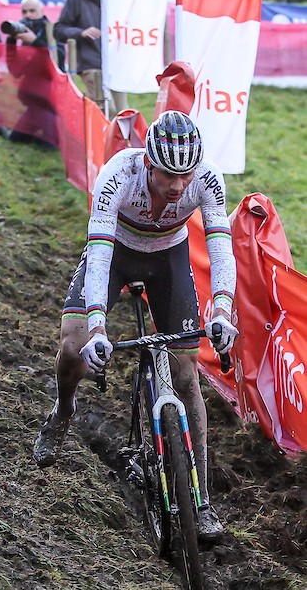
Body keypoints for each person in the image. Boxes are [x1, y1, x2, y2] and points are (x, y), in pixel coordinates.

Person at [33, 110, 239, 542]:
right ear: (148, 162)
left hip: (169, 258)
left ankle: (199, 499)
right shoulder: (117, 175)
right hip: (117, 252)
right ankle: (64, 411)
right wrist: (96, 325)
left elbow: (221, 247)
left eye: (186, 175)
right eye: (167, 174)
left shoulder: (208, 177)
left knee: (186, 376)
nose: (178, 186)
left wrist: (222, 309)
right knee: (72, 347)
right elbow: (100, 251)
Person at [53, 0, 127, 119]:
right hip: (92, 63)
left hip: (116, 64)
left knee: (122, 112)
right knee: (106, 110)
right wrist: (81, 32)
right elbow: (59, 30)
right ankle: (99, 138)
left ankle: (120, 139)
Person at [4, 0, 65, 146]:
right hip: (32, 101)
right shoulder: (24, 33)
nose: (28, 15)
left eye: (32, 11)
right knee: (15, 141)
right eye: (24, 12)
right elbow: (15, 71)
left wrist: (36, 42)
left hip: (48, 102)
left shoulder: (52, 31)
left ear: (42, 11)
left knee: (48, 145)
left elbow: (58, 62)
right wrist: (11, 42)